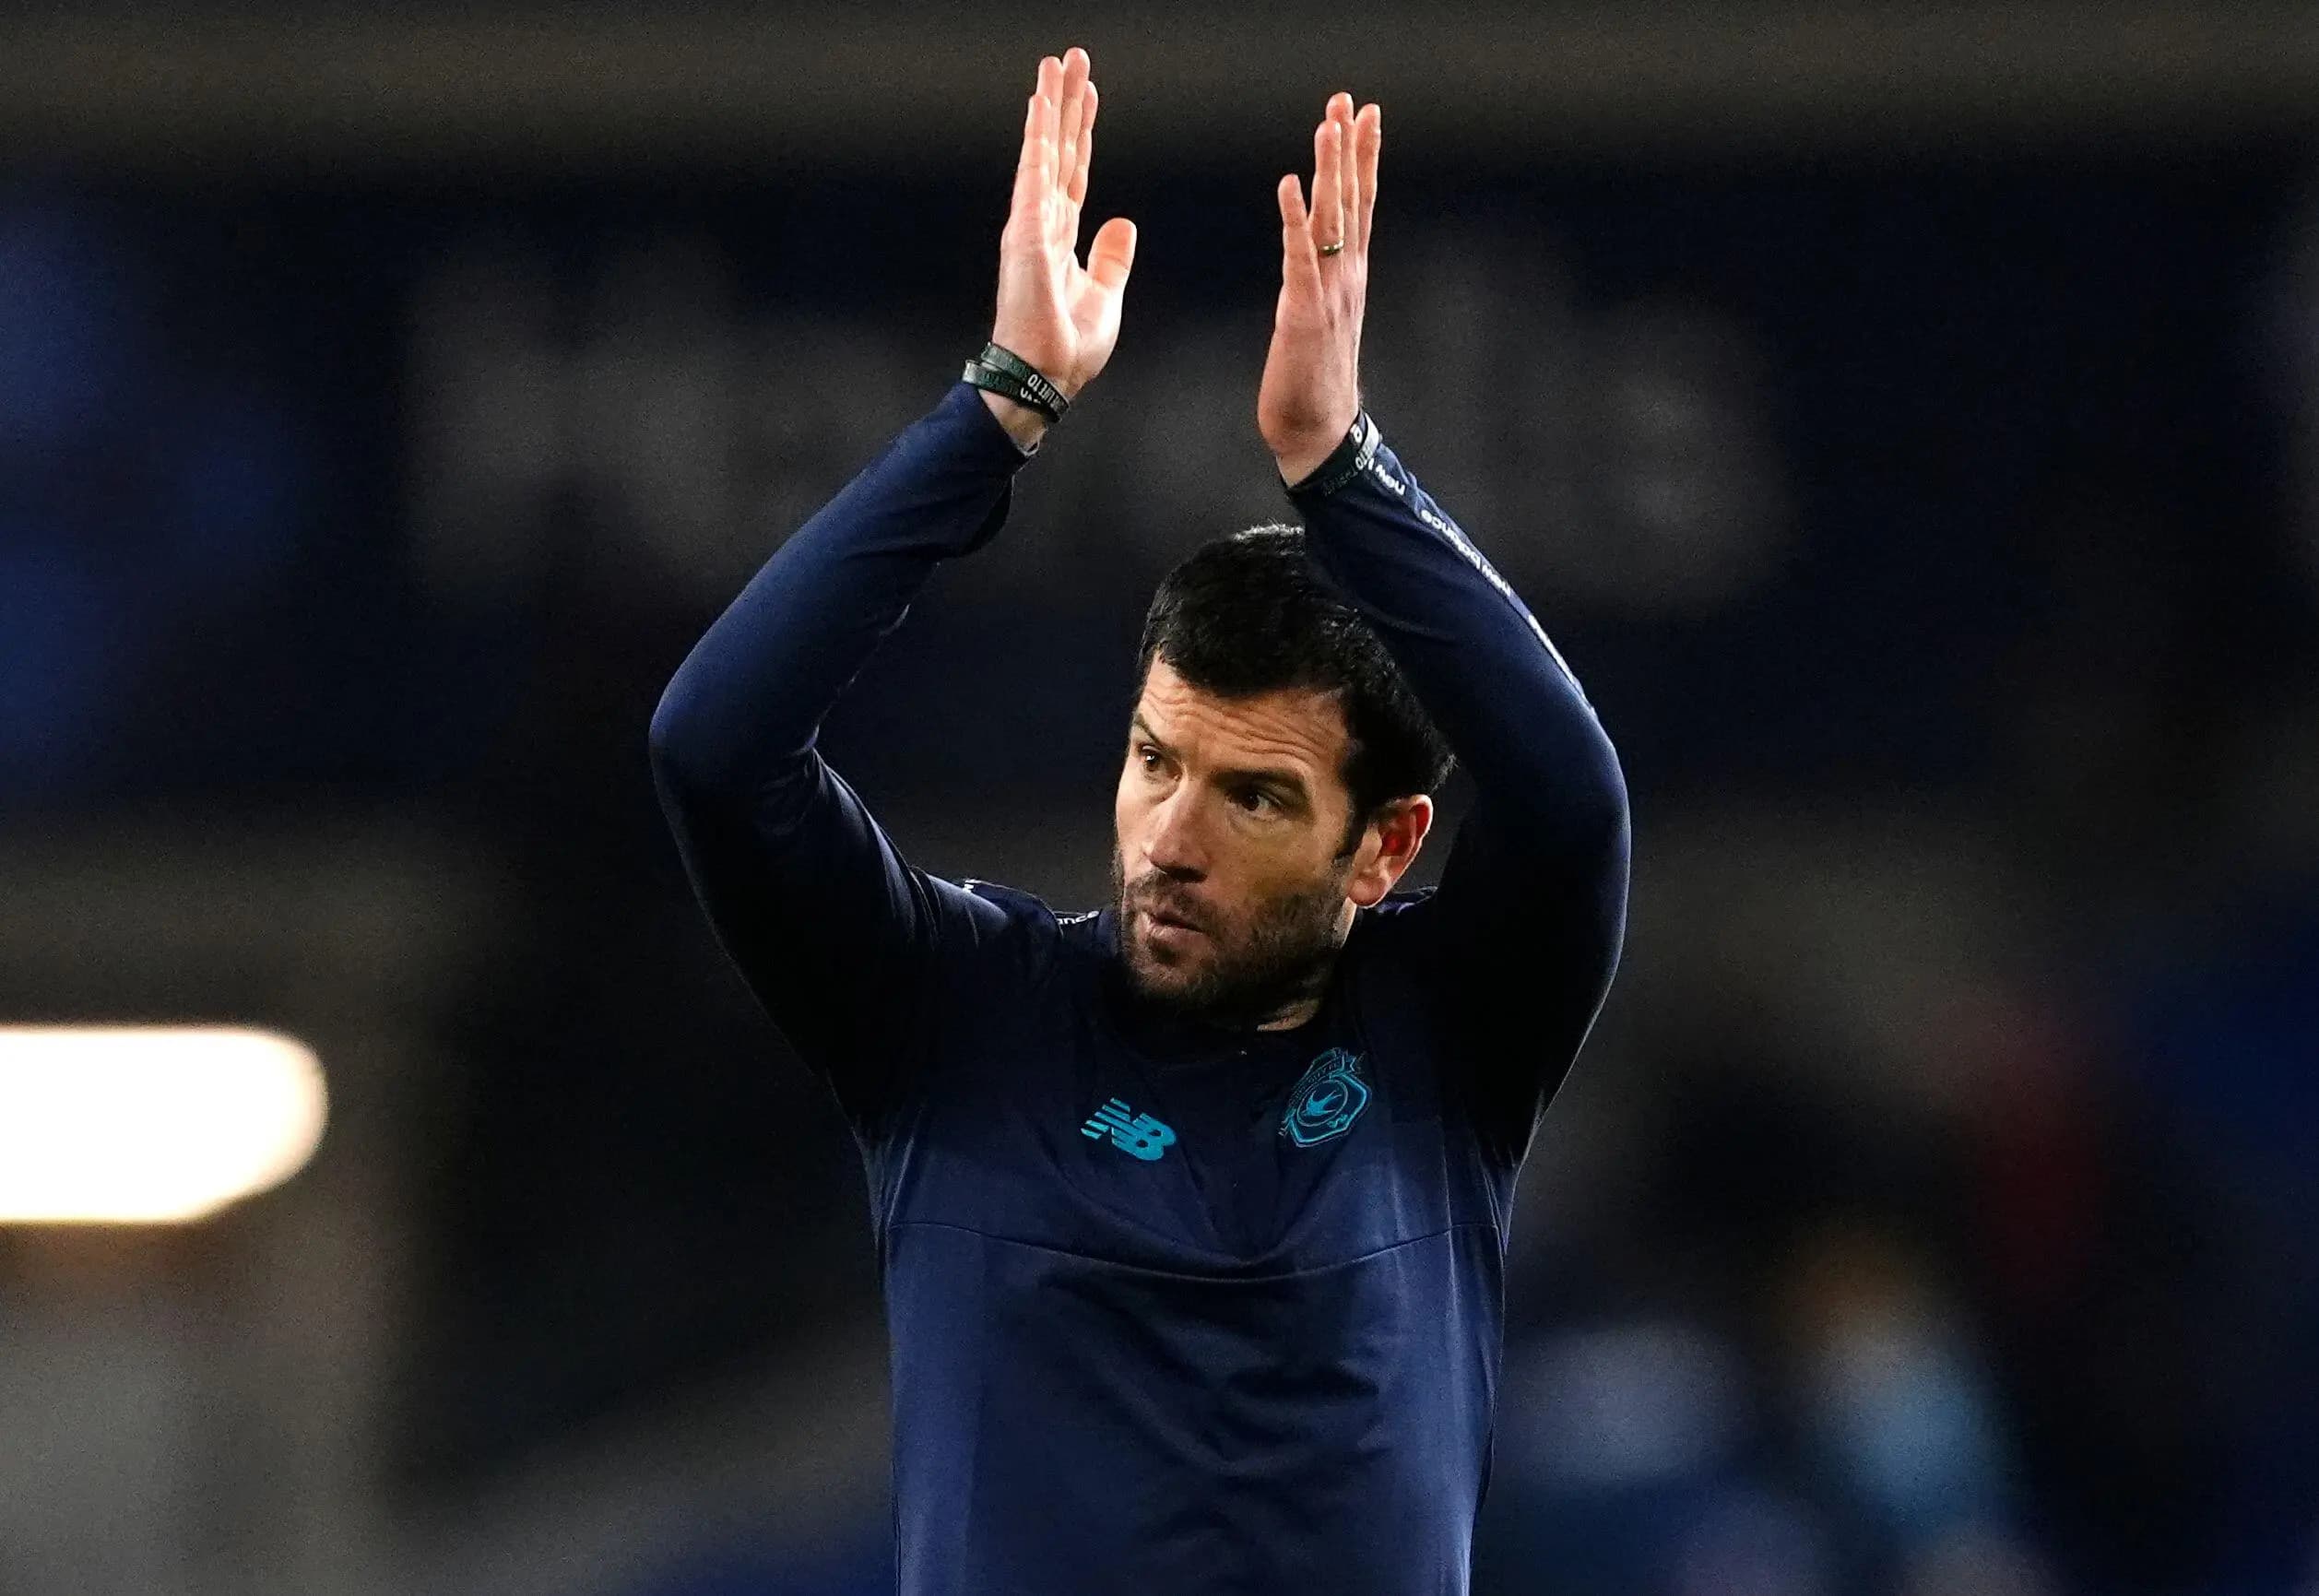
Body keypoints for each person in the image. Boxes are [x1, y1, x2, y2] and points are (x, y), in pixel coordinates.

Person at [649, 45, 1629, 1596]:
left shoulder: (1453, 1038)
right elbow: (716, 745)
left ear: (1384, 848)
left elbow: (1574, 798)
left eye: (1252, 796)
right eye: (1153, 760)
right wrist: (1003, 403)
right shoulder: (955, 1019)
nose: (1170, 838)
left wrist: (1340, 464)